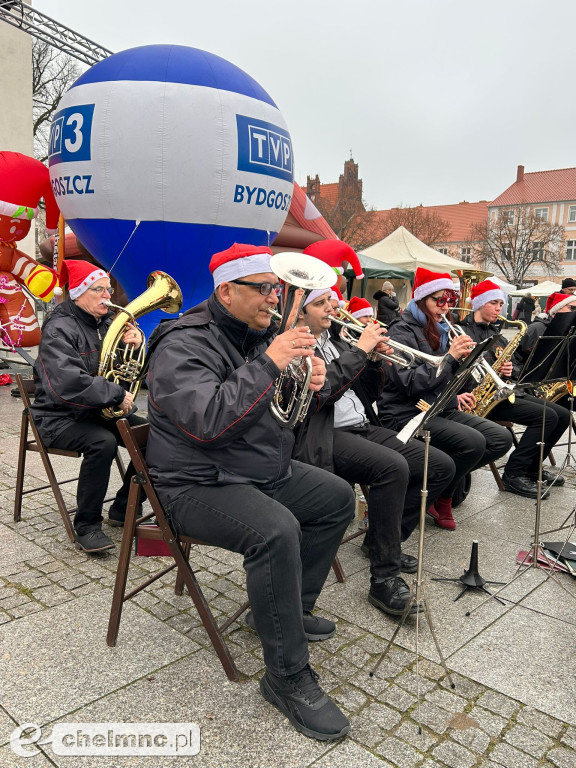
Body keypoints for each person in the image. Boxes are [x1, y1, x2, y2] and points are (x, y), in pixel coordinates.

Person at [145, 243, 355, 742]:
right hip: (193, 481)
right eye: (263, 289)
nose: (273, 299)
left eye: (276, 289)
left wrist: (308, 380)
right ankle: (285, 677)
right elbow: (209, 421)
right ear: (226, 291)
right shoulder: (182, 343)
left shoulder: (251, 333)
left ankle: (291, 611)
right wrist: (271, 364)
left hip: (244, 468)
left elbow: (274, 412)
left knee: (336, 498)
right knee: (275, 530)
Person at [292, 287, 455, 615]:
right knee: (392, 467)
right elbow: (321, 393)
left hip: (362, 425)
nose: (332, 306)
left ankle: (382, 539)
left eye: (331, 300)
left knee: (439, 465)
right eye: (321, 302)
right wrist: (359, 352)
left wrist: (373, 361)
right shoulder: (296, 343)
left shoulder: (336, 340)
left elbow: (365, 391)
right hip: (323, 433)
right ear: (300, 311)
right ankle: (384, 578)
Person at [377, 268, 513, 530]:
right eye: (438, 300)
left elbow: (442, 379)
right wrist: (450, 358)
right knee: (472, 442)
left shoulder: (439, 329)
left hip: (438, 406)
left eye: (449, 300)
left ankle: (441, 490)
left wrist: (459, 382)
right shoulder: (400, 331)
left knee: (500, 439)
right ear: (421, 300)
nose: (445, 307)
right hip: (407, 413)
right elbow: (410, 383)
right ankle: (442, 493)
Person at [31, 259, 146, 553]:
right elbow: (67, 382)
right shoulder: (59, 328)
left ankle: (123, 507)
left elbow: (120, 369)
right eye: (100, 290)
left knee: (154, 435)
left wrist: (134, 345)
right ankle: (87, 526)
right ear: (79, 292)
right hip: (57, 416)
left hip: (95, 410)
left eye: (108, 290)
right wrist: (116, 394)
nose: (108, 296)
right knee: (103, 443)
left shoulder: (107, 323)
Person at [459, 281, 570, 498]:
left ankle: (532, 468)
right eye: (494, 303)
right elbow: (461, 373)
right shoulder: (463, 331)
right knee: (546, 417)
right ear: (480, 304)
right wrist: (493, 371)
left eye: (501, 303)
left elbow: (517, 365)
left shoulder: (497, 334)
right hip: (481, 399)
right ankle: (514, 473)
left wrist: (510, 369)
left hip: (504, 393)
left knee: (563, 415)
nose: (499, 308)